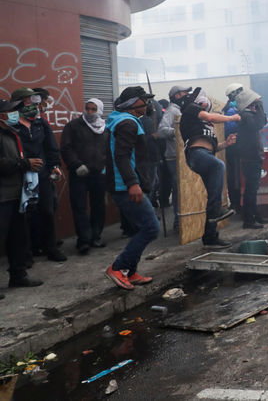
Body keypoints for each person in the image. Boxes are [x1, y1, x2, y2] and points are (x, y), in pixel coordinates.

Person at [104, 86, 159, 290]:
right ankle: (118, 267)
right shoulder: (127, 123)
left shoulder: (124, 120)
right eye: (144, 100)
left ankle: (130, 271)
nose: (147, 103)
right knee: (152, 227)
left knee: (141, 227)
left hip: (127, 184)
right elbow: (122, 156)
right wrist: (132, 183)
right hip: (125, 186)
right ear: (134, 103)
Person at [10, 88, 66, 262]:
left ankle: (50, 248)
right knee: (23, 217)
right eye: (28, 101)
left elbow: (50, 147)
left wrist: (54, 166)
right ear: (18, 104)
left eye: (34, 101)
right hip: (19, 177)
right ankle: (26, 254)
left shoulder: (40, 123)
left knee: (47, 212)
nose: (33, 105)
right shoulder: (11, 125)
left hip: (41, 176)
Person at [179, 89, 240, 248]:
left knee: (212, 197)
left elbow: (212, 147)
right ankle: (216, 210)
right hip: (196, 155)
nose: (206, 104)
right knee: (219, 165)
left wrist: (226, 144)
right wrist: (232, 117)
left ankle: (210, 237)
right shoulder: (190, 109)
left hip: (205, 155)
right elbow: (210, 116)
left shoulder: (206, 125)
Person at [0, 98, 44, 290]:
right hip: (2, 196)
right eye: (11, 111)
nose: (15, 114)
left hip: (18, 194)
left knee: (18, 238)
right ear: (2, 115)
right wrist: (24, 164)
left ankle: (18, 276)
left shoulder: (13, 132)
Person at [60, 98, 107, 254]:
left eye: (94, 109)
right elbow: (66, 148)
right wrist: (76, 164)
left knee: (98, 206)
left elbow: (108, 149)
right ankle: (84, 240)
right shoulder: (73, 126)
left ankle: (96, 236)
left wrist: (105, 165)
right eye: (88, 108)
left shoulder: (105, 128)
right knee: (79, 207)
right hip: (79, 173)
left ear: (100, 110)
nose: (90, 112)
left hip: (99, 173)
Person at [157, 85, 191, 231]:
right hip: (173, 156)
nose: (186, 95)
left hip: (181, 155)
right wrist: (178, 129)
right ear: (177, 95)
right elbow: (162, 130)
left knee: (182, 190)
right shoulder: (172, 111)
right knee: (178, 191)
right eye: (184, 93)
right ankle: (178, 222)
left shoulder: (179, 110)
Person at [234, 88, 267, 229]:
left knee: (252, 189)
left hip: (251, 157)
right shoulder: (247, 116)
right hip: (251, 157)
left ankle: (255, 216)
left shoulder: (247, 115)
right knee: (251, 190)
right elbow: (260, 124)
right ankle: (249, 220)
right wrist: (260, 107)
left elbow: (261, 122)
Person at [223, 83, 244, 214]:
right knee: (235, 176)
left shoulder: (236, 108)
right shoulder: (232, 110)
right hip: (234, 149)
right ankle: (236, 203)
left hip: (236, 148)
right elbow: (230, 129)